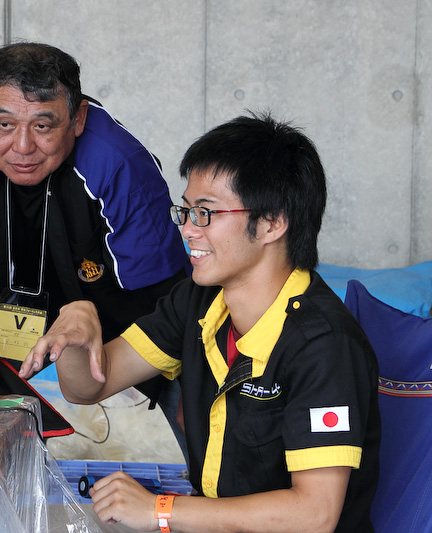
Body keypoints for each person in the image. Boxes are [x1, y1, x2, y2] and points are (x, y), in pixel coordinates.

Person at [20, 113, 381, 532]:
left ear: (272, 222)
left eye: (206, 213)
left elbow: (313, 516)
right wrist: (76, 326)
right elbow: (88, 387)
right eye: (185, 211)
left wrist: (160, 510)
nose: (188, 231)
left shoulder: (323, 343)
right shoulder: (199, 300)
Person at [0, 41, 189, 440]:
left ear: (77, 118)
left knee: (154, 440)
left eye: (43, 126)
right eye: (4, 125)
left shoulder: (118, 162)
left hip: (112, 321)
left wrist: (172, 395)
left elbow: (161, 299)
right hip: (5, 314)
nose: (22, 147)